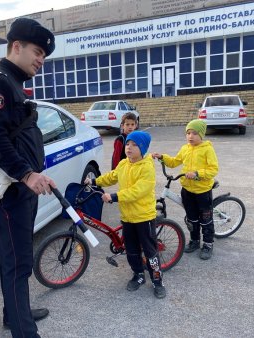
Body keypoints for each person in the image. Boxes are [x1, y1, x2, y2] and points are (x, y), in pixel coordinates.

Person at [0, 18, 56, 338]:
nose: (41, 59)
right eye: (37, 52)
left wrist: (33, 175)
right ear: (16, 47)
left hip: (23, 189)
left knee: (20, 257)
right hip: (11, 190)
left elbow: (15, 134)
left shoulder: (12, 82)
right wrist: (26, 173)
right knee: (16, 262)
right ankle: (24, 331)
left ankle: (14, 313)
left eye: (44, 56)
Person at [85, 131, 167, 298]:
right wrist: (94, 181)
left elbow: (138, 191)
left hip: (144, 217)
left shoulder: (147, 168)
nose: (129, 147)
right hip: (127, 217)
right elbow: (111, 177)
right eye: (128, 144)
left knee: (150, 252)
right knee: (131, 250)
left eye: (134, 145)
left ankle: (157, 281)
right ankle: (138, 275)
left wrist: (115, 197)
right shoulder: (123, 163)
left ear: (142, 148)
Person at [152, 119, 219, 260]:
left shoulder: (207, 149)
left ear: (201, 134)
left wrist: (197, 174)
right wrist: (162, 157)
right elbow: (175, 161)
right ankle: (195, 240)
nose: (190, 136)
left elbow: (213, 169)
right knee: (191, 218)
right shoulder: (185, 148)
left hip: (202, 191)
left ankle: (208, 244)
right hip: (187, 189)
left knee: (205, 219)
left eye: (194, 133)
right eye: (188, 133)